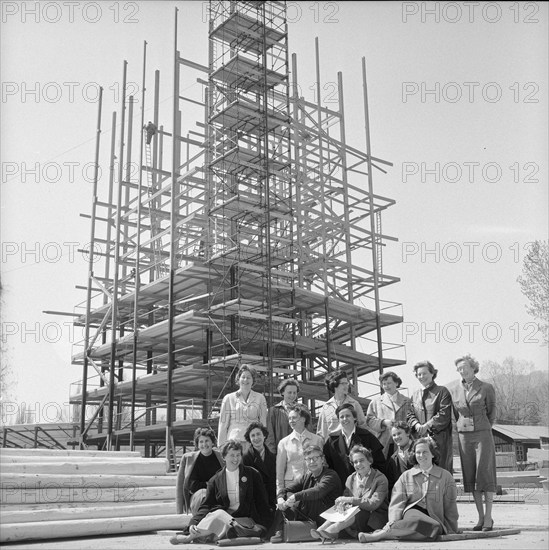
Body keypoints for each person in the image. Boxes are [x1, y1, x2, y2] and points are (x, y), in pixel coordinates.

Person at [170, 440, 272, 545]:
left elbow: (262, 502)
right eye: (232, 455)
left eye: (238, 455)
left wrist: (266, 526)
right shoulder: (215, 480)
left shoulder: (252, 474)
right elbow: (206, 506)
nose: (236, 459)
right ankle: (197, 533)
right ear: (224, 457)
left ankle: (190, 537)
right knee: (216, 514)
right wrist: (193, 523)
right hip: (225, 520)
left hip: (246, 521)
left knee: (218, 515)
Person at [357, 437, 459, 542]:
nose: (421, 455)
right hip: (413, 513)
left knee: (435, 529)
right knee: (424, 525)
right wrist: (393, 521)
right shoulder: (406, 476)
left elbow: (450, 505)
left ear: (433, 454)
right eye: (418, 452)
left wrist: (452, 528)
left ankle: (388, 534)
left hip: (434, 519)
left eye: (425, 452)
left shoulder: (445, 476)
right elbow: (397, 502)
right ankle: (383, 533)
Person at [451, 354, 497, 531]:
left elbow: (492, 412)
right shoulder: (454, 390)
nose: (462, 371)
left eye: (465, 368)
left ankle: (488, 517)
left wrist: (483, 426)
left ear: (473, 368)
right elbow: (456, 414)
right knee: (471, 475)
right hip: (464, 436)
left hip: (483, 434)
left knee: (484, 474)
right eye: (459, 369)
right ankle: (480, 518)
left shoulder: (486, 387)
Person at [311, 445, 389, 543]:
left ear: (369, 461)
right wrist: (341, 505)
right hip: (353, 520)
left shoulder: (380, 479)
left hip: (373, 519)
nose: (358, 464)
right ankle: (321, 530)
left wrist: (349, 500)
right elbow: (346, 500)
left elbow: (373, 504)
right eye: (355, 462)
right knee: (342, 507)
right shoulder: (350, 479)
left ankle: (333, 530)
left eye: (361, 460)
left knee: (356, 509)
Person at [269, 444, 342, 544]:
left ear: (322, 459)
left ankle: (319, 532)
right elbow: (285, 489)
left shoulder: (331, 475)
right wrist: (281, 498)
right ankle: (279, 531)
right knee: (283, 505)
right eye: (309, 459)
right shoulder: (307, 476)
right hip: (308, 516)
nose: (312, 462)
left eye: (315, 458)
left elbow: (318, 491)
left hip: (324, 517)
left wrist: (295, 496)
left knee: (311, 498)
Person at [323, 403, 387, 487]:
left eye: (348, 416)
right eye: (341, 417)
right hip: (340, 486)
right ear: (338, 420)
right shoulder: (332, 440)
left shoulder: (367, 436)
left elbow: (379, 463)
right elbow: (329, 466)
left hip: (366, 486)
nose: (345, 419)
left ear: (355, 418)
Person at [407, 360, 454, 473]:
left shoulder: (442, 391)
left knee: (441, 471)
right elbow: (410, 414)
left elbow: (444, 414)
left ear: (432, 373)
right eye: (419, 374)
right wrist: (417, 425)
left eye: (424, 373)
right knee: (422, 471)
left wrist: (427, 426)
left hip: (439, 440)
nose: (421, 376)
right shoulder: (415, 395)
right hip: (419, 439)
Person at [276, 404, 324, 493]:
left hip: (313, 486)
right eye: (289, 418)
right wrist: (280, 493)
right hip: (291, 487)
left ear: (303, 419)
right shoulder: (283, 443)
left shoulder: (318, 440)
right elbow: (280, 472)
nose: (291, 421)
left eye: (294, 418)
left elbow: (323, 465)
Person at [175, 427, 224, 515]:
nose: (204, 444)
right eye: (201, 441)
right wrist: (179, 509)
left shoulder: (221, 457)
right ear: (197, 444)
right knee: (204, 495)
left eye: (207, 441)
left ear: (212, 442)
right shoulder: (188, 458)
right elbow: (192, 485)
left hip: (218, 495)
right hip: (198, 496)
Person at [217, 365, 267, 448]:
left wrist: (263, 444)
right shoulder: (229, 398)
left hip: (253, 442)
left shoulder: (260, 398)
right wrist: (221, 446)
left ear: (253, 380)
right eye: (243, 377)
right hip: (233, 442)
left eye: (248, 377)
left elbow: (263, 423)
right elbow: (223, 424)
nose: (245, 380)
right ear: (238, 379)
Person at [366, 371, 410, 457]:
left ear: (396, 383)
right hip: (383, 442)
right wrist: (383, 422)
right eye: (384, 384)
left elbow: (412, 419)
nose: (386, 386)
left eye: (389, 383)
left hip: (403, 442)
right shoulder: (375, 402)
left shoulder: (407, 401)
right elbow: (369, 420)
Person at [317, 369, 367, 440]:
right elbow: (321, 432)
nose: (346, 386)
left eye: (347, 383)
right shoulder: (326, 407)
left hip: (351, 444)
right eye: (343, 383)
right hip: (332, 447)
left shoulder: (354, 404)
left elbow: (363, 426)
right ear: (335, 385)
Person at [243, 421, 276, 509]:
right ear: (249, 439)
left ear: (264, 435)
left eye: (258, 434)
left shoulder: (273, 457)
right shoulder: (245, 457)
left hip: (270, 500)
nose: (256, 438)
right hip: (254, 501)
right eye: (252, 436)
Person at [265, 378, 300, 454]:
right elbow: (270, 437)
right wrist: (272, 456)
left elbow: (309, 431)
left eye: (295, 392)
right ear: (283, 392)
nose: (292, 395)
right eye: (289, 392)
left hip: (299, 453)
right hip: (281, 453)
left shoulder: (303, 410)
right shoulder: (273, 411)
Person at [388, 421, 415, 486]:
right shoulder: (393, 459)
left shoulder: (420, 450)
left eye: (399, 433)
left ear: (408, 433)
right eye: (394, 435)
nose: (396, 437)